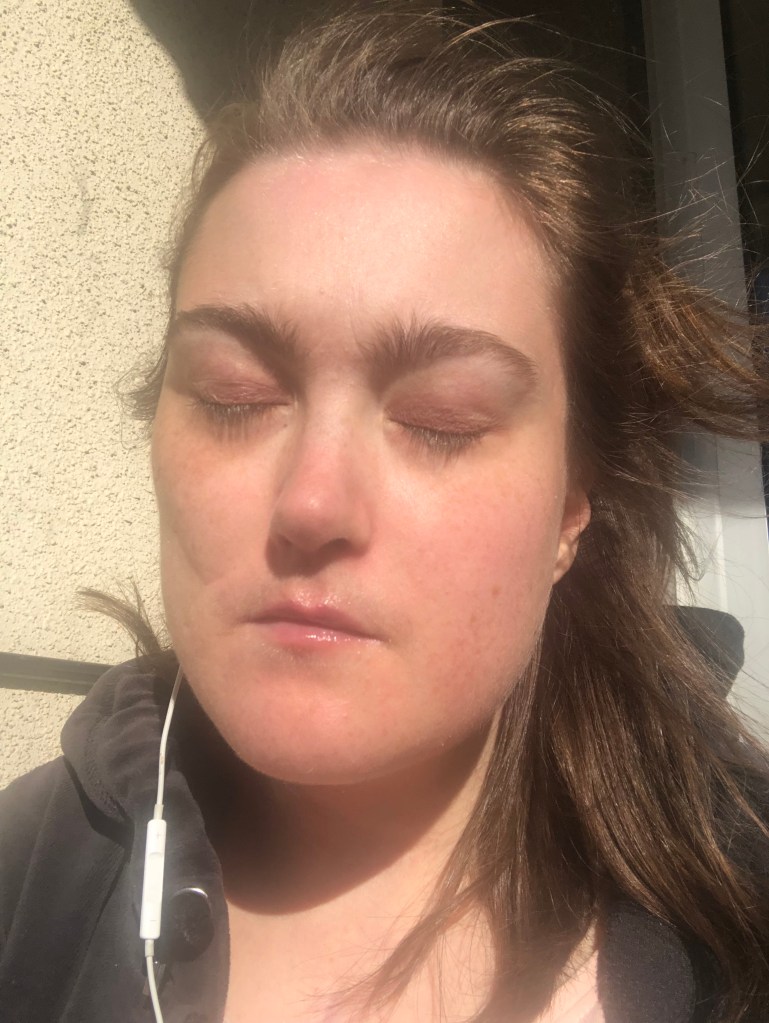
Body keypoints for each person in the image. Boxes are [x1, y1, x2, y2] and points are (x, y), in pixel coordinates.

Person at [2, 6, 769, 1022]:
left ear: (569, 507)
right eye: (233, 395)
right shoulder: (25, 892)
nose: (311, 501)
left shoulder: (742, 896)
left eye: (441, 420)